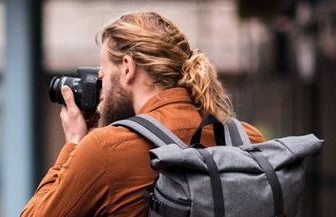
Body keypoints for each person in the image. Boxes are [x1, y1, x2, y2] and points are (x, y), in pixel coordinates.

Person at [21, 11, 265, 216]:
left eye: (102, 75)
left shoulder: (105, 150)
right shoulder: (247, 140)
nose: (99, 88)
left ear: (127, 68)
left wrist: (74, 143)